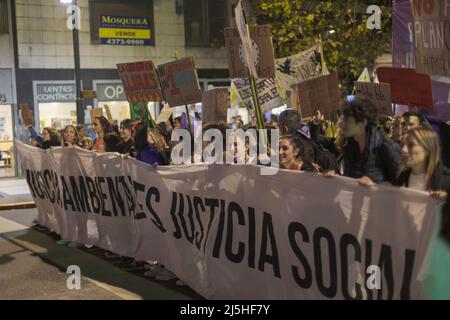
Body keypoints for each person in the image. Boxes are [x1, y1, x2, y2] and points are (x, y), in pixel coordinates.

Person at [338, 99, 402, 185]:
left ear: (363, 123)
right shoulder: (349, 146)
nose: (340, 124)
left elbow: (400, 183)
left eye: (347, 121)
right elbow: (349, 178)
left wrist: (376, 185)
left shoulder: (386, 147)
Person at [393, 127, 450, 192]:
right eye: (403, 144)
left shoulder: (446, 182)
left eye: (411, 145)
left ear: (428, 150)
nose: (403, 149)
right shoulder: (400, 177)